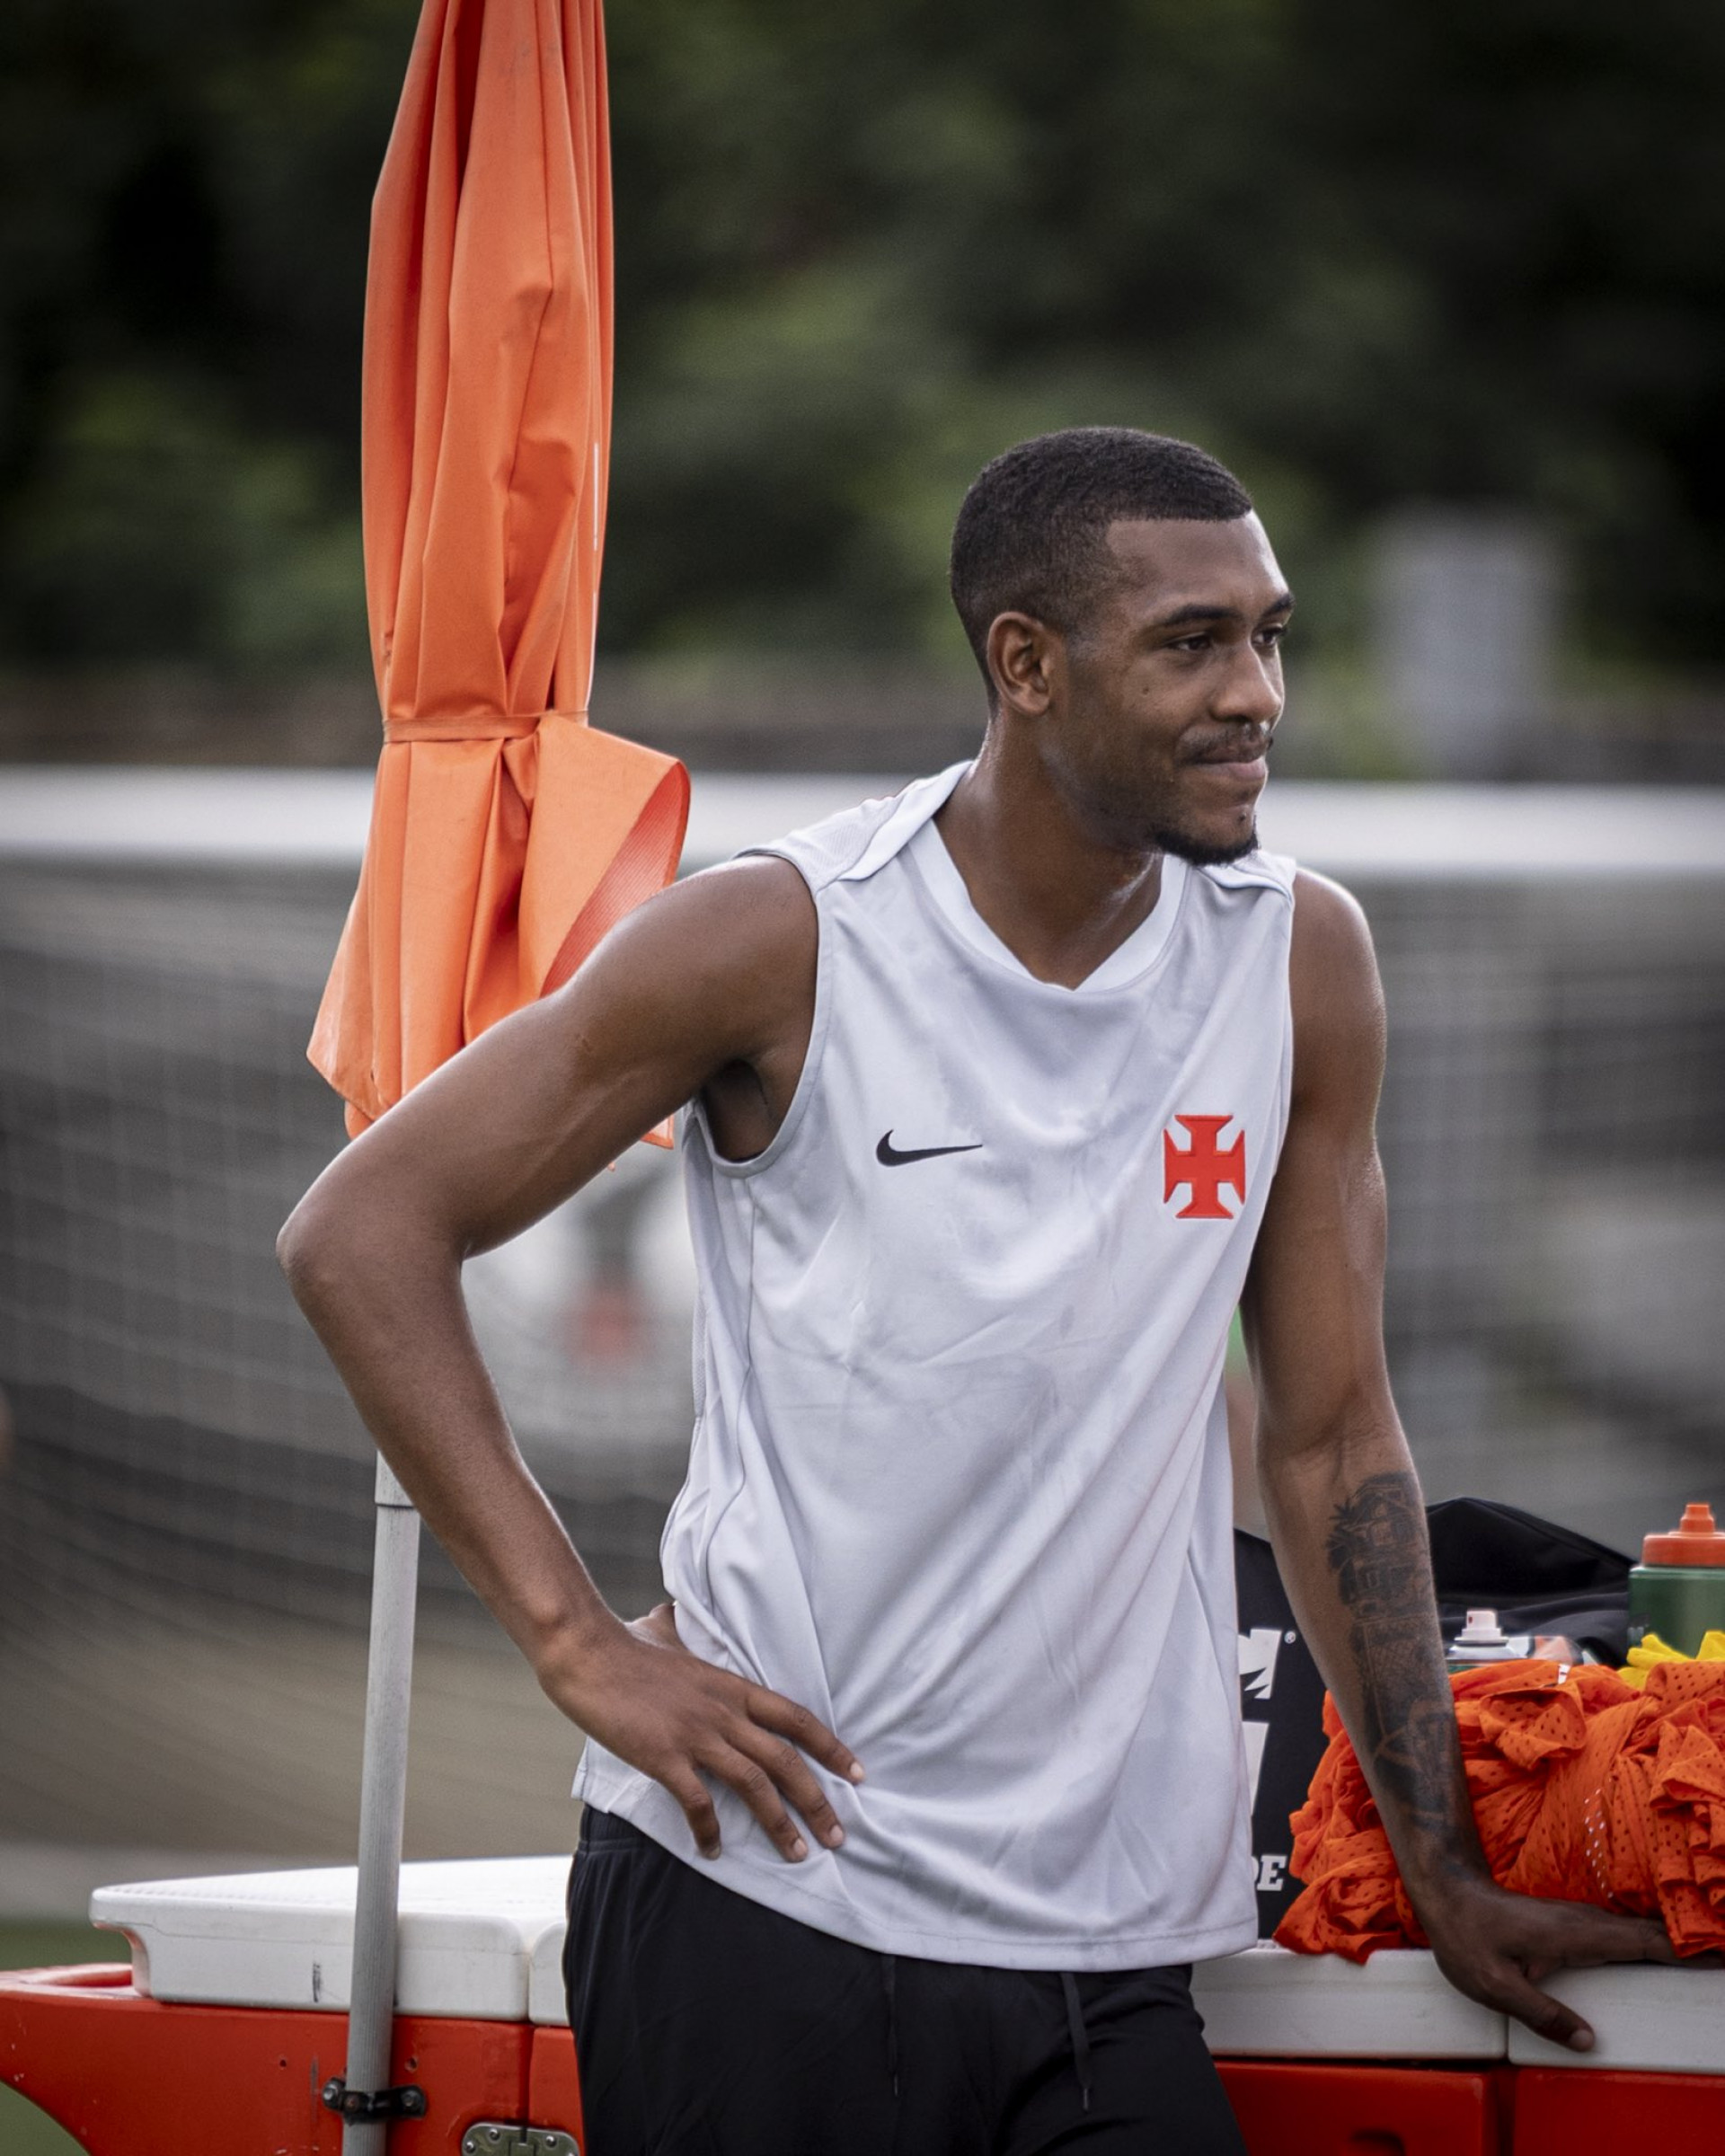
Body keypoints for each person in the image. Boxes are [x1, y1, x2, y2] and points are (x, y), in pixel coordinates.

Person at [279, 428, 1671, 2154]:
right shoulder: (779, 935)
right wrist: (577, 1645)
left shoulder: (1303, 957)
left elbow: (1327, 1441)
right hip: (770, 1897)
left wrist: (1440, 1857)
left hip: (1119, 1933)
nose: (1256, 694)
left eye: (1269, 637)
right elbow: (362, 1234)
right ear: (1026, 663)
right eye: (1191, 643)